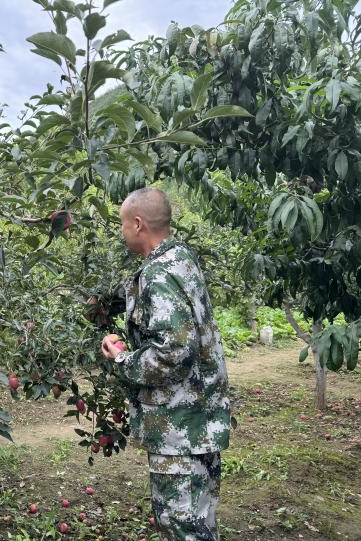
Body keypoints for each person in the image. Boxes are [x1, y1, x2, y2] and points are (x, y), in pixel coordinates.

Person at [100, 187, 231, 541]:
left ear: (138, 224)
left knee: (183, 528)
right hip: (197, 422)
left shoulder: (158, 274)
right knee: (199, 526)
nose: (122, 232)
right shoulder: (182, 260)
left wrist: (123, 359)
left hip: (180, 430)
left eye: (123, 224)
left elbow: (172, 352)